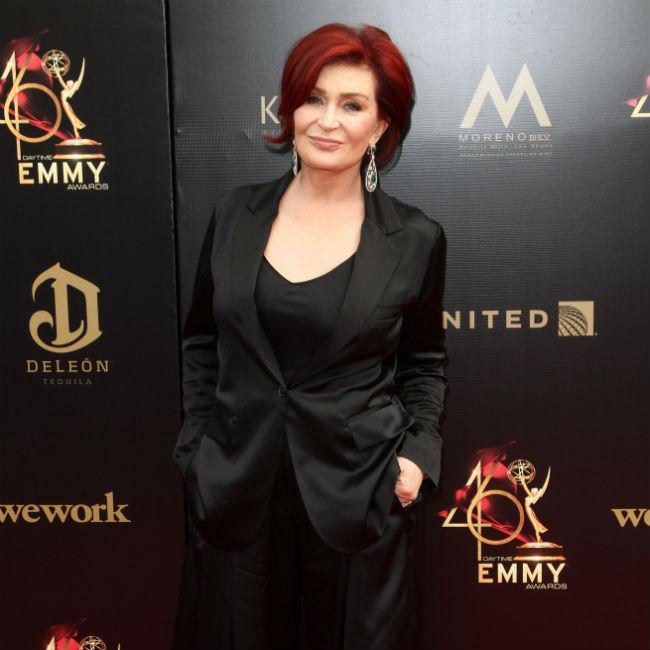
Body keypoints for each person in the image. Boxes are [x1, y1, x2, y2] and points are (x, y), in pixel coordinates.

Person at [172, 22, 449, 650]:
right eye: (313, 99)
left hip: (360, 493)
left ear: (380, 126)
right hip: (236, 488)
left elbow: (424, 362)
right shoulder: (234, 215)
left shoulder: (415, 238)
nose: (327, 121)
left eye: (352, 105)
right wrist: (195, 451)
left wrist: (416, 456)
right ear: (290, 109)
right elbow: (201, 343)